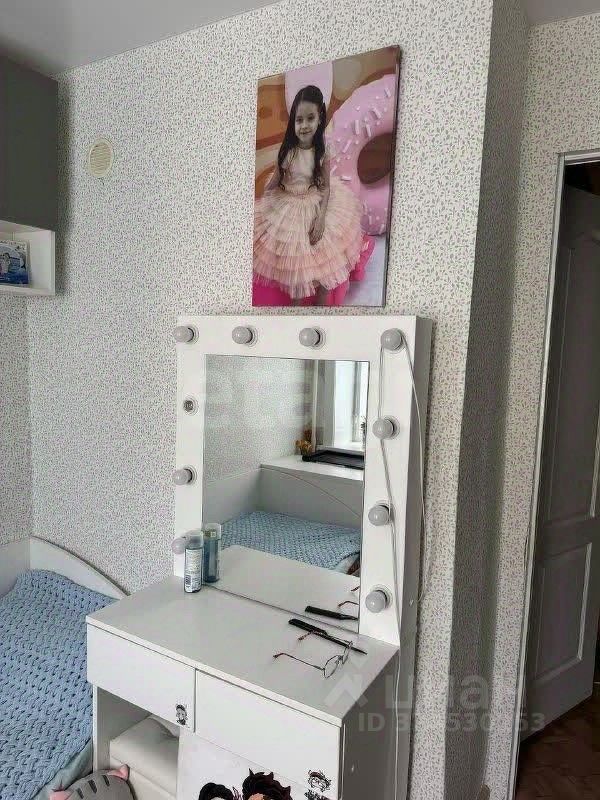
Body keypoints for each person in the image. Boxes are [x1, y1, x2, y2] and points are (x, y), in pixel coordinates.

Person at [253, 85, 363, 304]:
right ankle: (297, 314)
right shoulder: (288, 152)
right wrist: (264, 209)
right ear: (293, 122)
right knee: (297, 273)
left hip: (316, 204)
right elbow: (274, 182)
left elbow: (326, 187)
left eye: (310, 118)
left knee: (325, 271)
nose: (304, 125)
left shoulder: (322, 150)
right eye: (299, 120)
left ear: (320, 117)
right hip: (290, 206)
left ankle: (321, 310)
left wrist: (320, 219)